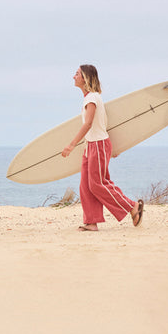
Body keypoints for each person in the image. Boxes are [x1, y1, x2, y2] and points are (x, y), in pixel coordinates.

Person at [60, 64, 144, 231]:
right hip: (91, 145)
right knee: (85, 186)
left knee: (98, 184)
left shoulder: (92, 98)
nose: (73, 77)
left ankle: (132, 206)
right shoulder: (89, 98)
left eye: (77, 74)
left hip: (98, 145)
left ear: (85, 78)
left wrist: (71, 145)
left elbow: (89, 124)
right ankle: (91, 222)